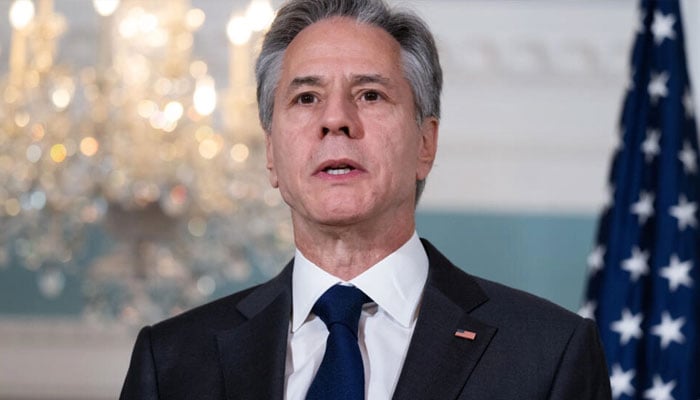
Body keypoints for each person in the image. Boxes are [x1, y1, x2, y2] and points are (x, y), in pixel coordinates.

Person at [120, 0, 612, 399]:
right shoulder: (173, 362)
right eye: (306, 98)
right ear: (271, 154)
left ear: (426, 144)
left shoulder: (547, 354)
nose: (336, 119)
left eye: (370, 95)